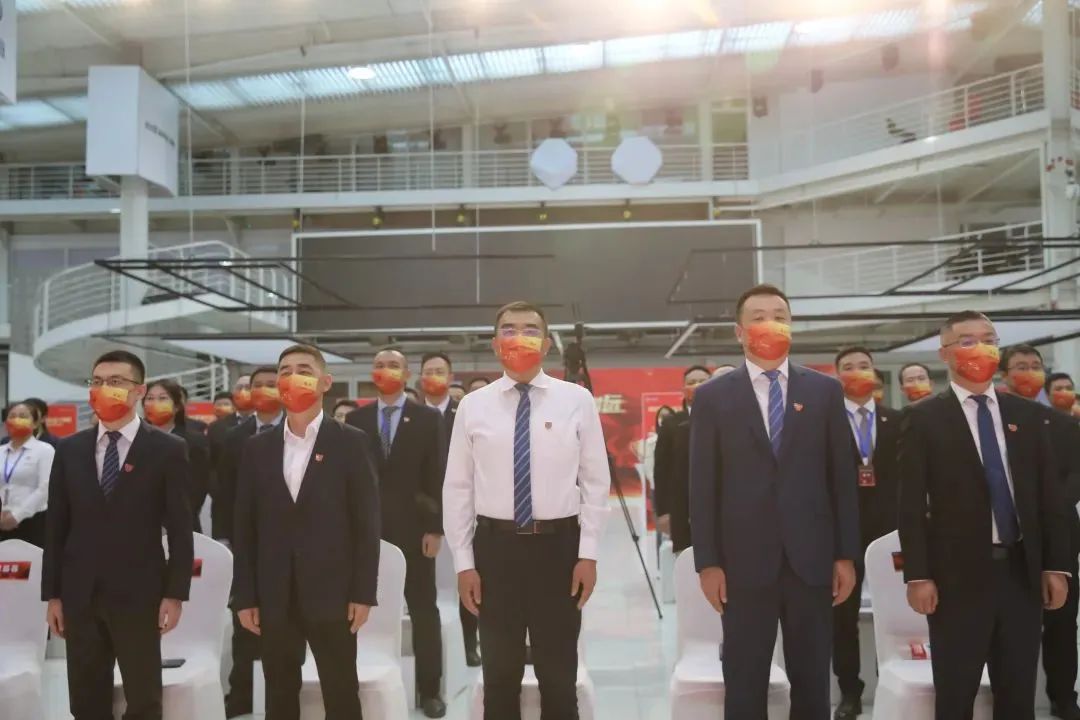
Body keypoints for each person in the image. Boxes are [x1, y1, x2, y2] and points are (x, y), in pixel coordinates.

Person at [689, 284, 859, 720]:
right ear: (739, 332)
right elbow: (703, 486)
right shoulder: (712, 397)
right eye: (759, 317)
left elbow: (841, 479)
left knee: (812, 684)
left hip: (812, 561)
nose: (770, 324)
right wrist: (708, 562)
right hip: (742, 564)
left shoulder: (825, 391)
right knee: (744, 684)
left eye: (779, 316)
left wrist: (845, 555)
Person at [898, 311, 1071, 719]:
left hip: (1020, 573)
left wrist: (1057, 565)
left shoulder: (1027, 416)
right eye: (967, 340)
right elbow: (909, 504)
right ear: (945, 353)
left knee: (1017, 694)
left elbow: (1049, 498)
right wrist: (918, 574)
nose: (980, 348)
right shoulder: (923, 418)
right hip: (956, 578)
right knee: (956, 693)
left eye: (989, 339)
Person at [444, 300, 609, 720]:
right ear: (495, 343)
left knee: (559, 679)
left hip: (559, 550)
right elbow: (458, 488)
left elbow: (595, 482)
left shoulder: (577, 400)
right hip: (494, 551)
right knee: (499, 680)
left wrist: (588, 554)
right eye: (509, 329)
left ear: (548, 343)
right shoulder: (473, 406)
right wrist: (464, 563)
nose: (519, 337)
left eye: (531, 329)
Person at [43, 350, 193, 720]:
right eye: (96, 381)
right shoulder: (70, 448)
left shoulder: (167, 449)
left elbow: (180, 527)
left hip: (140, 592)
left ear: (139, 390)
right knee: (86, 701)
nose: (103, 388)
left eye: (115, 382)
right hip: (80, 592)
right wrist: (54, 595)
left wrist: (175, 593)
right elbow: (56, 526)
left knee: (143, 699)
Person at [233, 344, 380, 720]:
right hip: (274, 592)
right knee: (279, 691)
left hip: (333, 590)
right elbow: (245, 528)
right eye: (285, 371)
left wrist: (363, 592)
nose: (292, 377)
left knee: (340, 690)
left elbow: (366, 524)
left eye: (303, 370)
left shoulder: (350, 441)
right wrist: (245, 596)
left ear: (325, 382)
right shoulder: (256, 448)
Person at [346, 349, 448, 717]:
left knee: (423, 609)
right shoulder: (355, 419)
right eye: (378, 365)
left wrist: (435, 527)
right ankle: (353, 683)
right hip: (365, 531)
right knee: (358, 607)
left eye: (393, 365)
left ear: (406, 374)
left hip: (414, 530)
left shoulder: (427, 418)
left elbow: (437, 474)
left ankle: (430, 689)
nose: (384, 371)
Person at [1004, 356, 1080, 720]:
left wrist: (1044, 512)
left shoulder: (1065, 425)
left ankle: (1063, 696)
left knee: (1062, 621)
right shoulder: (992, 418)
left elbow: (1074, 477)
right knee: (1010, 623)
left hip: (1059, 532)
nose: (1029, 372)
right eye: (1020, 366)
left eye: (1035, 365)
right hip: (1007, 534)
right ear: (1005, 374)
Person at [832, 346, 901, 720]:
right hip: (842, 532)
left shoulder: (898, 420)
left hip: (890, 531)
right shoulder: (825, 423)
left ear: (875, 373)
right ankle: (850, 691)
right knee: (842, 617)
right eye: (848, 367)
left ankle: (890, 679)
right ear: (837, 376)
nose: (857, 371)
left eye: (864, 366)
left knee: (894, 611)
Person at [215, 366, 283, 719]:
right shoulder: (235, 437)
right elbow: (223, 492)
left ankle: (280, 694)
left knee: (288, 624)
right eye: (258, 385)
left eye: (272, 385)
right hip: (246, 543)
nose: (264, 390)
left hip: (290, 542)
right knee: (245, 619)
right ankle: (240, 693)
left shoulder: (298, 431)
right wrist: (224, 538)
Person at [420, 351, 481, 667]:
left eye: (439, 370)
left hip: (465, 510)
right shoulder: (414, 416)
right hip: (422, 515)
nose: (434, 376)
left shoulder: (465, 413)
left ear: (451, 375)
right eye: (428, 371)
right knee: (427, 586)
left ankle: (469, 643)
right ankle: (431, 654)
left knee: (466, 578)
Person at [653, 365, 711, 551]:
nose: (697, 385)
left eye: (702, 381)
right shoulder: (672, 424)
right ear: (684, 389)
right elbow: (661, 471)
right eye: (691, 382)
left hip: (719, 508)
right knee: (686, 561)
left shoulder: (727, 419)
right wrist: (663, 512)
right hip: (682, 509)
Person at [143, 379, 212, 532]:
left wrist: (168, 524)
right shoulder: (133, 439)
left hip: (181, 527)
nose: (155, 403)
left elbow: (196, 491)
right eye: (150, 398)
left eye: (162, 398)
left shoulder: (194, 442)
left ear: (177, 406)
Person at [0, 401, 56, 547]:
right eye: (12, 416)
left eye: (23, 416)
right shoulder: (1, 451)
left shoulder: (44, 450)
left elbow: (45, 488)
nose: (17, 419)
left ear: (36, 423)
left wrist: (17, 515)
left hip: (33, 521)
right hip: (2, 519)